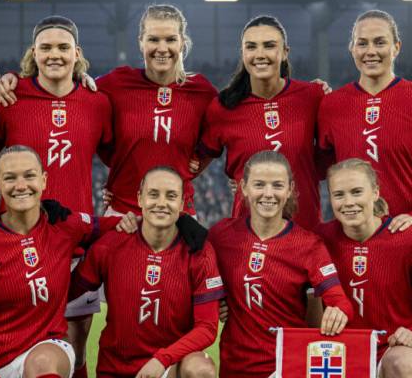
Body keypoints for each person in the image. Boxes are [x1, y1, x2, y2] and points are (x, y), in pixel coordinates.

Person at [0, 4, 218, 217]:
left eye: (170, 39)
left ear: (182, 43)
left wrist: (197, 163)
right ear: (141, 42)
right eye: (153, 39)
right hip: (122, 213)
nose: (162, 48)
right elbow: (69, 86)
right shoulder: (115, 83)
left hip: (179, 214)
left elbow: (217, 137)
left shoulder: (203, 91)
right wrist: (12, 78)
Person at [0, 15, 113, 376]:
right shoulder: (10, 97)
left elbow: (120, 157)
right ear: (33, 52)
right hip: (16, 245)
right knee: (12, 344)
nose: (54, 54)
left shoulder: (97, 102)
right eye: (46, 47)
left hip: (75, 246)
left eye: (62, 47)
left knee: (75, 350)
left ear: (77, 53)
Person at [0, 145, 126, 378]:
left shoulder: (63, 225)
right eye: (10, 178)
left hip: (47, 348)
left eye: (29, 176)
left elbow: (125, 226)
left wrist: (175, 220)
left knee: (43, 362)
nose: (21, 185)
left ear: (43, 181)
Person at [208, 150, 352, 378]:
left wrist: (338, 311)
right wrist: (217, 300)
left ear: (289, 189)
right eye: (259, 184)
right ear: (244, 187)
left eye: (277, 185)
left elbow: (340, 302)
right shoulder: (221, 236)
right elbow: (192, 276)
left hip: (286, 368)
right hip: (234, 368)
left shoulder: (308, 245)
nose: (268, 194)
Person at [70, 166, 224, 378]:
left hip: (168, 368)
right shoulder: (110, 245)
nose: (161, 203)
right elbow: (68, 294)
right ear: (139, 199)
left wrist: (162, 359)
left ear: (181, 204)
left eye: (171, 196)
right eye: (153, 194)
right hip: (115, 370)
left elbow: (207, 328)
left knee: (201, 369)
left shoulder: (199, 252)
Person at [196, 15, 324, 230]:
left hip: (305, 231)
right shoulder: (223, 107)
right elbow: (193, 163)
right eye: (251, 47)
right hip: (247, 235)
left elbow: (335, 156)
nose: (260, 54)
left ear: (285, 52)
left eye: (269, 45)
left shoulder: (313, 96)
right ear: (243, 53)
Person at [316, 158, 412, 377]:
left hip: (390, 349)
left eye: (357, 192)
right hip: (334, 351)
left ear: (375, 192)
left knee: (405, 363)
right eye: (339, 195)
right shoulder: (319, 239)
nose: (348, 202)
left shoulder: (405, 238)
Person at [318, 9, 412, 218]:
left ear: (396, 47)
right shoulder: (331, 104)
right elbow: (313, 167)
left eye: (379, 42)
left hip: (406, 233)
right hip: (353, 231)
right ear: (352, 49)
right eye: (362, 43)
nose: (370, 51)